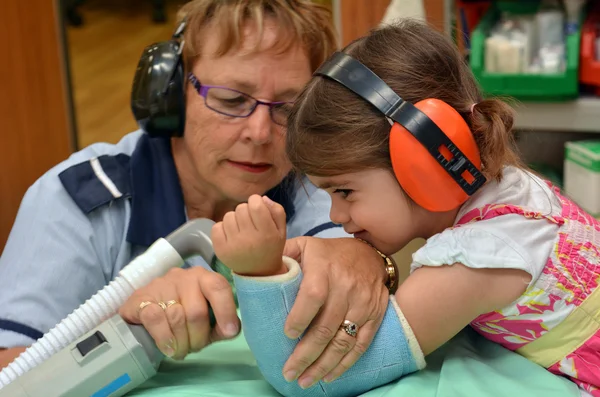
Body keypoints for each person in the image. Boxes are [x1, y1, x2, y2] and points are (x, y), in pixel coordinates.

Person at [0, 0, 394, 383]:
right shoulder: (74, 200)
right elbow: (9, 372)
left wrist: (372, 261)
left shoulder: (318, 185)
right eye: (231, 100)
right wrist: (128, 332)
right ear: (169, 94)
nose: (259, 133)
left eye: (288, 109)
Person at [211, 19, 600, 397]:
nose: (335, 216)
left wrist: (256, 272)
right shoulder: (512, 189)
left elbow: (311, 380)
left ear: (426, 161)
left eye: (344, 191)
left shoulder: (477, 258)